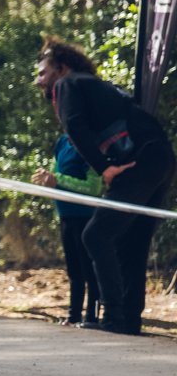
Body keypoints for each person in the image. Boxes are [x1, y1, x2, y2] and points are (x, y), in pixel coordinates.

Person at [34, 37, 175, 335]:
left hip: (139, 162)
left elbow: (74, 125)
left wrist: (104, 168)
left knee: (96, 235)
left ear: (62, 68)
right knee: (131, 241)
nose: (39, 81)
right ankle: (128, 322)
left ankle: (112, 317)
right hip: (160, 159)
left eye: (43, 73)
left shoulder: (68, 84)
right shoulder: (95, 86)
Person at [30, 135, 102, 327]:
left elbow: (94, 187)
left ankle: (92, 316)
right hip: (65, 216)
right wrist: (47, 178)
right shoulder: (62, 142)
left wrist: (57, 180)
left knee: (89, 269)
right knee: (73, 270)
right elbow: (55, 172)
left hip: (85, 216)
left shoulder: (90, 144)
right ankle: (74, 314)